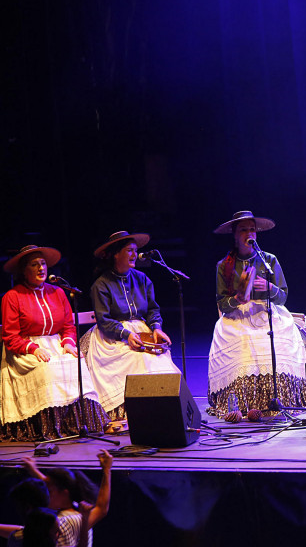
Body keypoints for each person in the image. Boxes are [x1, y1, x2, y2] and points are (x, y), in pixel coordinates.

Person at [208, 211, 306, 417]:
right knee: (243, 343)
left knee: (278, 339)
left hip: (267, 312)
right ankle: (244, 404)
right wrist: (236, 299)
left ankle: (279, 398)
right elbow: (221, 303)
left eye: (252, 229)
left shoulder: (269, 260)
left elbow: (283, 296)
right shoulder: (224, 265)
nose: (249, 233)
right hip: (237, 317)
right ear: (235, 235)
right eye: (243, 229)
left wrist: (270, 287)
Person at [1, 245, 107, 441]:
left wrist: (68, 343)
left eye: (43, 264)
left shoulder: (57, 292)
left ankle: (80, 424)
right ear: (24, 271)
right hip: (25, 349)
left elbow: (68, 324)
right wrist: (32, 349)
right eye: (34, 265)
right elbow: (10, 336)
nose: (41, 268)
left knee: (77, 364)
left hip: (56, 344)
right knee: (47, 368)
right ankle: (50, 428)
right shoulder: (12, 297)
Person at [84, 232, 180, 419]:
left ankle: (164, 410)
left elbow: (153, 309)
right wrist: (126, 334)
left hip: (141, 329)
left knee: (160, 358)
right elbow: (104, 320)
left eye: (136, 251)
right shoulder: (101, 285)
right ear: (115, 255)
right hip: (113, 335)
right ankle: (141, 413)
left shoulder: (142, 279)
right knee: (139, 360)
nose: (134, 255)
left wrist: (156, 328)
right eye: (129, 251)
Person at [23, 450, 113, 547]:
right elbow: (100, 508)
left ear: (64, 494)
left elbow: (101, 509)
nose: (44, 493)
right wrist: (34, 470)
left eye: (49, 491)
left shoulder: (66, 521)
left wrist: (107, 471)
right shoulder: (76, 509)